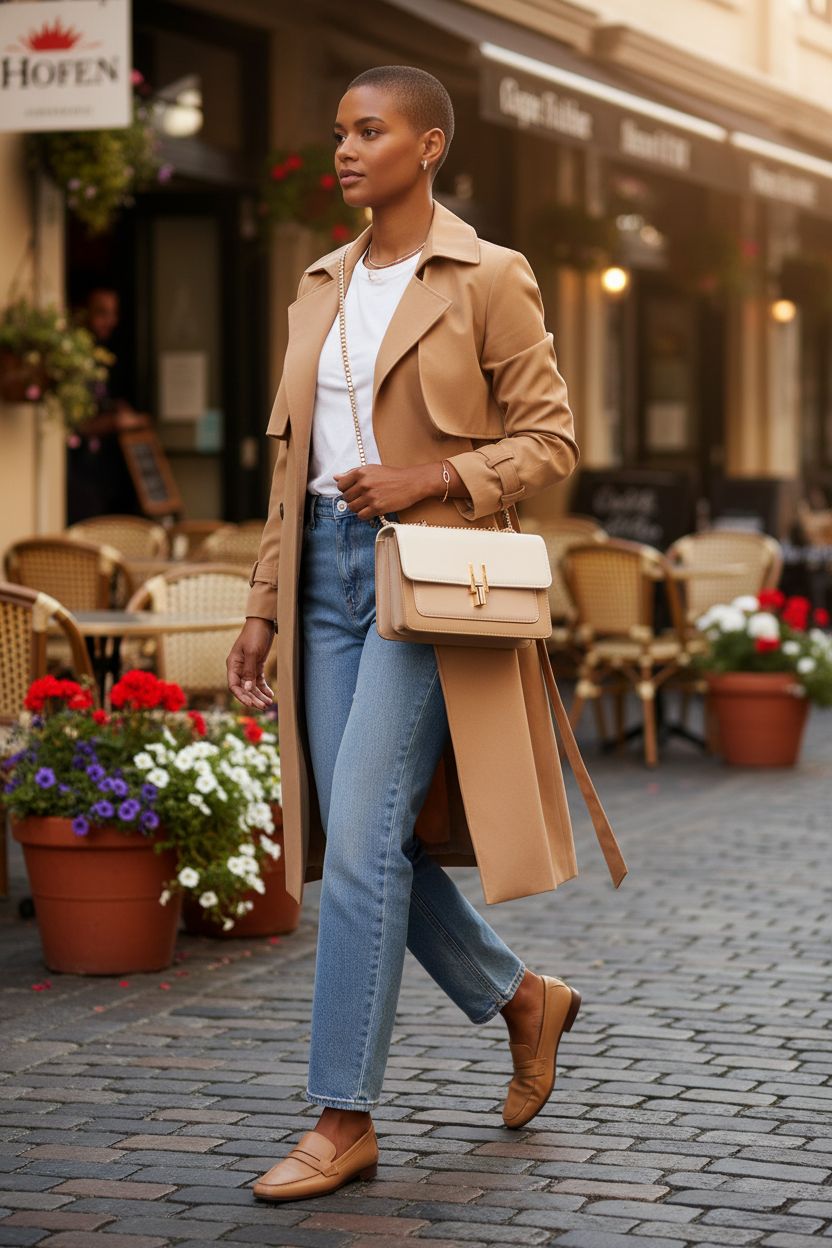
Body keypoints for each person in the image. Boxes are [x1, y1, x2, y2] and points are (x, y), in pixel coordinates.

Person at [226, 65, 626, 1203]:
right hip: (318, 586)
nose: (345, 149)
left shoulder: (488, 275)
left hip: (426, 582)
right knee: (372, 845)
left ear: (429, 145)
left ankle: (342, 1118)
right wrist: (259, 609)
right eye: (339, 129)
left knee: (357, 846)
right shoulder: (317, 284)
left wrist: (433, 476)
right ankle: (521, 999)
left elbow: (549, 442)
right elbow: (288, 472)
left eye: (369, 130)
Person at [66, 285, 146, 523]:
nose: (110, 321)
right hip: (76, 474)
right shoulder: (72, 359)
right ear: (82, 313)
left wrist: (114, 407)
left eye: (113, 313)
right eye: (102, 313)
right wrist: (117, 421)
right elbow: (76, 423)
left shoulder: (99, 355)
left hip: (101, 475)